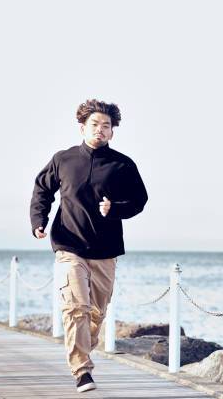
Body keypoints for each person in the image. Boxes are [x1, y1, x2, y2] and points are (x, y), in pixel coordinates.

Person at [29, 99, 148, 393]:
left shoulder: (123, 165)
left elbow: (139, 200)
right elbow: (42, 189)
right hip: (69, 247)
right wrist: (38, 220)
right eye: (95, 124)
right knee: (76, 307)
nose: (100, 130)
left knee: (96, 313)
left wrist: (116, 208)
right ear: (82, 127)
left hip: (106, 250)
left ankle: (83, 347)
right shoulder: (63, 159)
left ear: (112, 132)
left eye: (106, 126)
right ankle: (82, 370)